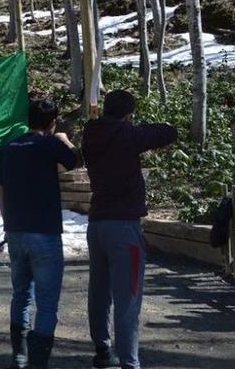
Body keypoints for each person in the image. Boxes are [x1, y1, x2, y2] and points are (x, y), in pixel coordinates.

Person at [82, 90, 177, 369]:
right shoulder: (128, 135)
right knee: (128, 298)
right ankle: (129, 363)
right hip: (124, 227)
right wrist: (130, 126)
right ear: (127, 115)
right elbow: (168, 132)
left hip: (97, 224)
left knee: (99, 293)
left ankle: (102, 349)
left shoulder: (90, 133)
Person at [0, 98, 80, 369]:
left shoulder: (9, 147)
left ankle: (19, 358)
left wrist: (9, 225)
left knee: (20, 294)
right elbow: (74, 162)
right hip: (44, 233)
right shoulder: (50, 143)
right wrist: (64, 138)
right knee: (46, 303)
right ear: (52, 122)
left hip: (17, 232)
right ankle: (38, 364)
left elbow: (1, 191)